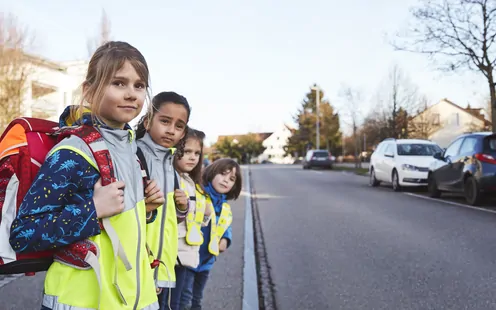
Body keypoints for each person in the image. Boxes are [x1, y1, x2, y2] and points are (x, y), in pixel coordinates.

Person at [9, 41, 162, 309]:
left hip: (134, 299)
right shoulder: (72, 153)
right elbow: (24, 233)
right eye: (118, 83)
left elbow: (123, 226)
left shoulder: (132, 149)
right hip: (81, 300)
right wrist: (93, 209)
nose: (131, 94)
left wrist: (148, 209)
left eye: (139, 86)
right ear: (89, 92)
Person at [135, 91, 191, 309]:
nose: (171, 130)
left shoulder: (171, 167)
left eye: (179, 126)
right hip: (137, 263)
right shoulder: (134, 155)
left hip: (161, 264)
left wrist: (182, 208)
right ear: (148, 121)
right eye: (165, 121)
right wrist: (146, 208)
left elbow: (170, 220)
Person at [180, 158, 242, 310]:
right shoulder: (199, 195)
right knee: (185, 299)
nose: (226, 180)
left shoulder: (224, 206)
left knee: (197, 298)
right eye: (223, 174)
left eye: (231, 179)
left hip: (206, 261)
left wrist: (226, 239)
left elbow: (225, 225)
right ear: (212, 172)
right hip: (189, 258)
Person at [168, 128, 212, 310]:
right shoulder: (170, 177)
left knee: (178, 302)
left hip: (187, 252)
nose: (193, 157)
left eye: (197, 153)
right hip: (173, 252)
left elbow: (195, 219)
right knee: (170, 303)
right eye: (187, 152)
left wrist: (207, 214)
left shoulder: (190, 181)